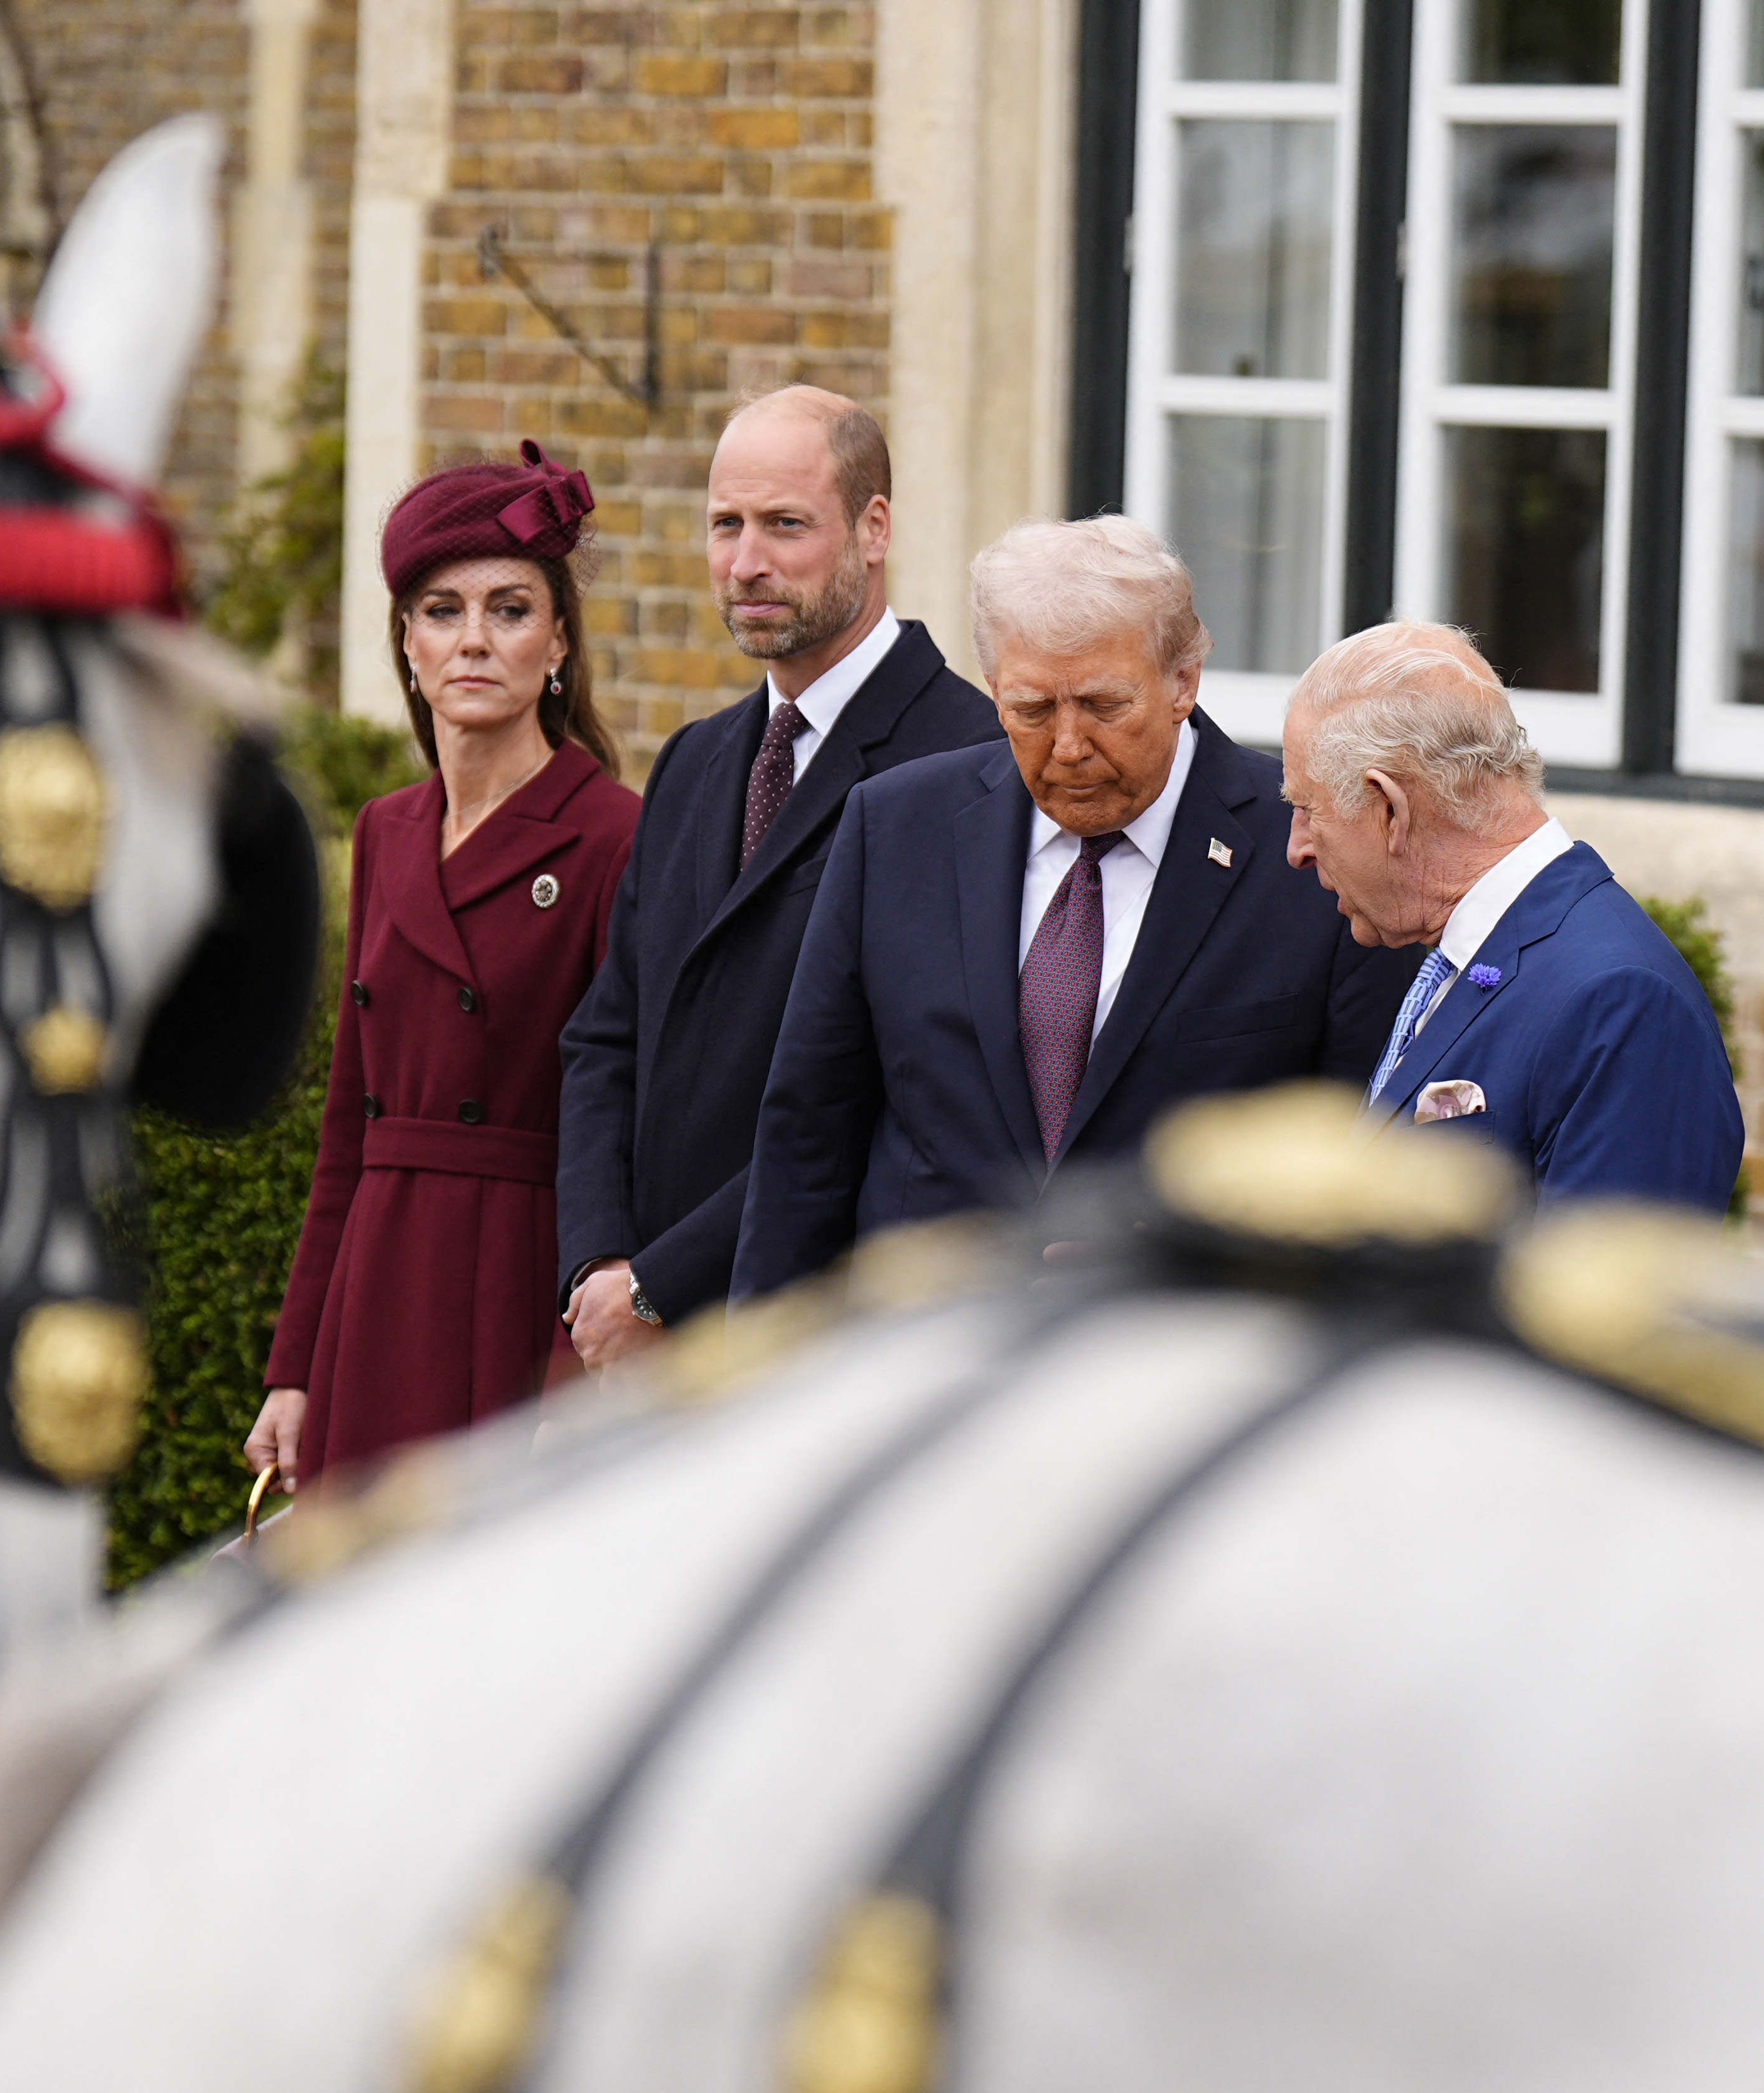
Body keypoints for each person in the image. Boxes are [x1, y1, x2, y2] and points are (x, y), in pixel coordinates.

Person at [732, 516, 1417, 1296]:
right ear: (993, 691)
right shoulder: (893, 828)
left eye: (1102, 705)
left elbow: (1366, 1167)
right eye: (1030, 709)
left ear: (1183, 681)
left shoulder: (1311, 856)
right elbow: (806, 1138)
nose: (1066, 745)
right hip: (927, 1359)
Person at [553, 387, 994, 1364]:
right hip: (641, 1349)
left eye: (785, 526)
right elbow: (607, 1035)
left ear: (874, 528)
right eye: (726, 526)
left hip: (822, 1342)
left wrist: (663, 1285)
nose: (746, 563)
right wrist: (595, 1268)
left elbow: (893, 1093)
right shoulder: (694, 762)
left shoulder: (969, 766)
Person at [247, 442, 640, 1493]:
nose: (474, 640)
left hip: (515, 1285)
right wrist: (296, 1366)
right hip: (377, 1287)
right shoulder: (386, 829)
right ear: (407, 645)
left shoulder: (615, 836)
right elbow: (348, 1129)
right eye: (440, 610)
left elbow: (627, 1132)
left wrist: (573, 1375)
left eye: (510, 610)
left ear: (558, 638)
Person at [1280, 621, 1740, 1210]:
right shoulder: (1477, 957)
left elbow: (1609, 1290)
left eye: (1306, 808)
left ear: (1390, 809)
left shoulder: (1620, 1001)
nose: (1297, 849)